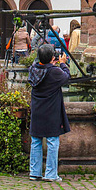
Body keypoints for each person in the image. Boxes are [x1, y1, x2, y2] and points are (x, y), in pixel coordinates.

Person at [28, 43, 70, 182]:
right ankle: (51, 174)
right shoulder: (54, 72)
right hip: (51, 111)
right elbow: (66, 77)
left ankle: (35, 172)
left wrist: (49, 61)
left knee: (36, 140)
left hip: (37, 109)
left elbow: (41, 65)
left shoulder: (33, 69)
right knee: (52, 141)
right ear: (52, 57)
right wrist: (63, 64)